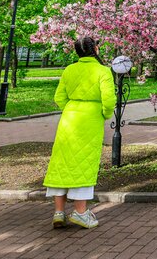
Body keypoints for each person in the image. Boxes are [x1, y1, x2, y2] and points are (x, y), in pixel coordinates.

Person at [44, 37, 116, 228]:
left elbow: (59, 97)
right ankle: (80, 212)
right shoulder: (102, 71)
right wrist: (104, 114)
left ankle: (59, 213)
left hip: (69, 119)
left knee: (62, 163)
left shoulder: (69, 70)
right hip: (90, 121)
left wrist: (71, 108)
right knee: (84, 163)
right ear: (96, 49)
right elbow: (109, 100)